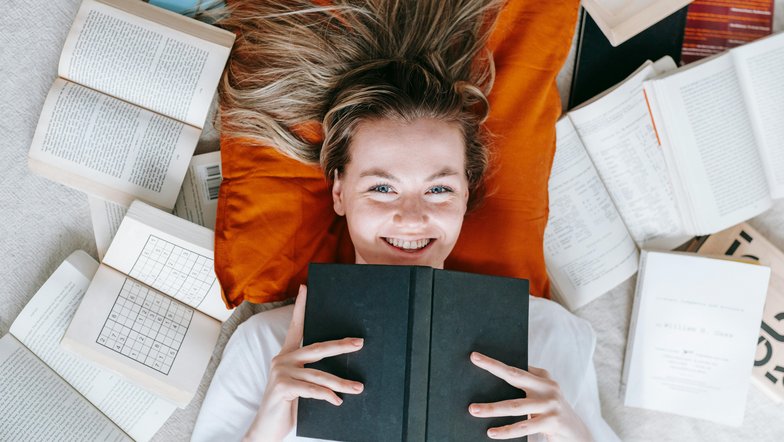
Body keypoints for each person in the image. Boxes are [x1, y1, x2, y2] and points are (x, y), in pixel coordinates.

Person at [193, 0, 619, 440]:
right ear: (339, 193)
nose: (412, 219)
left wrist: (572, 430)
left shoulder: (548, 334)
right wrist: (268, 422)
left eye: (439, 189)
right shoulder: (266, 348)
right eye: (381, 187)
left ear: (467, 195)